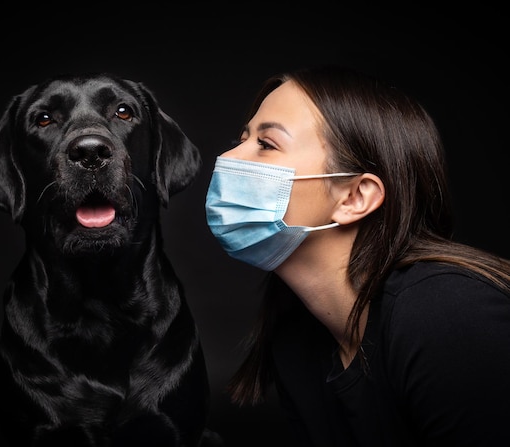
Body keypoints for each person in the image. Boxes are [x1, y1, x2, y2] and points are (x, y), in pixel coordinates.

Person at [204, 65, 510, 446]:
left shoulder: (450, 315)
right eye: (241, 138)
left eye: (266, 144)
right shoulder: (296, 342)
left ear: (354, 197)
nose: (230, 155)